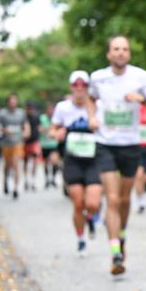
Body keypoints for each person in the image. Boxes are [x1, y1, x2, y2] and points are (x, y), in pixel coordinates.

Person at [87, 35, 146, 276]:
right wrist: (92, 117)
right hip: (105, 144)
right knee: (112, 198)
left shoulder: (140, 77)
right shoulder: (98, 77)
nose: (120, 53)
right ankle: (115, 252)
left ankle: (121, 235)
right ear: (109, 54)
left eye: (124, 49)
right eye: (116, 49)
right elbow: (90, 97)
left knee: (125, 197)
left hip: (131, 145)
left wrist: (141, 99)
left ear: (129, 54)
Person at [52, 71, 103, 254]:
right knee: (78, 203)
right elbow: (54, 128)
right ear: (71, 87)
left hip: (94, 160)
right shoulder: (63, 108)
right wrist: (56, 134)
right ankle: (81, 238)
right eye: (76, 85)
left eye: (84, 85)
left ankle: (91, 218)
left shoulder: (98, 107)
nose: (80, 88)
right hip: (72, 160)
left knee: (93, 204)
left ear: (89, 87)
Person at [0, 93, 29, 199]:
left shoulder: (21, 113)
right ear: (8, 102)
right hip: (6, 143)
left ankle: (16, 188)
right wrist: (4, 130)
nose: (13, 103)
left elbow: (25, 125)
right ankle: (6, 179)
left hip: (18, 142)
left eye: (14, 101)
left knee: (16, 164)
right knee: (7, 165)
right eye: (11, 101)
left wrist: (26, 132)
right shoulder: (2, 113)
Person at [39, 101, 61, 189]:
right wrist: (50, 129)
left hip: (54, 144)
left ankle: (53, 179)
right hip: (44, 144)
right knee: (45, 163)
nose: (51, 111)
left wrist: (48, 130)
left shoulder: (57, 118)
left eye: (52, 110)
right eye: (49, 109)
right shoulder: (42, 118)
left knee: (54, 161)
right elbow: (40, 129)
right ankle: (47, 179)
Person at [23, 101, 42, 191]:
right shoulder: (23, 117)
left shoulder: (36, 116)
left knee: (35, 161)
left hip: (34, 140)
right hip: (25, 142)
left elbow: (39, 127)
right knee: (26, 161)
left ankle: (33, 181)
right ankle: (26, 180)